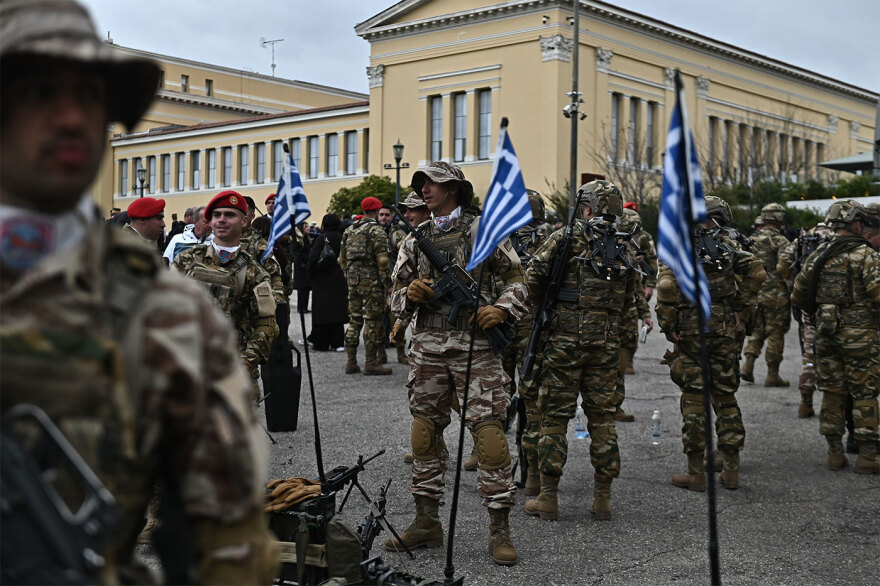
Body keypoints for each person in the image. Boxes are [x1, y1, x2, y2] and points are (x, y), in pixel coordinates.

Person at [0, 1, 278, 583]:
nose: (72, 118)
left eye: (90, 96)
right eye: (37, 91)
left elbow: (227, 543)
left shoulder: (162, 307)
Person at [384, 161, 527, 566]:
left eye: (433, 183)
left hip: (476, 346)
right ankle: (426, 522)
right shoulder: (415, 239)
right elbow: (395, 297)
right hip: (428, 347)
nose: (424, 190)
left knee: (489, 436)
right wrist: (410, 295)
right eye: (422, 184)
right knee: (424, 433)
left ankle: (500, 528)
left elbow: (518, 281)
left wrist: (502, 309)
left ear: (453, 189)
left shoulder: (485, 231)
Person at [524, 180, 637, 523]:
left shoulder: (565, 237)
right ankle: (602, 498)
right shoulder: (625, 246)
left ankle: (548, 497)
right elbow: (630, 299)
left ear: (586, 208)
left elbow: (532, 278)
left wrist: (545, 309)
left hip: (564, 342)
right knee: (602, 419)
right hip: (605, 343)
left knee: (554, 417)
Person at [656, 196, 766, 491]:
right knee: (726, 396)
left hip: (690, 328)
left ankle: (695, 473)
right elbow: (758, 273)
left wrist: (668, 325)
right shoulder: (730, 245)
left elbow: (665, 286)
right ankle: (731, 469)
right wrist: (740, 308)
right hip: (724, 327)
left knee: (694, 398)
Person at [791, 199, 880, 474]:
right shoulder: (866, 255)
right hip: (861, 338)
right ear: (857, 225)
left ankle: (834, 453)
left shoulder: (818, 255)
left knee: (832, 392)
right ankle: (867, 456)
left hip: (826, 336)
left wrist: (820, 313)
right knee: (864, 393)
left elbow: (798, 295)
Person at [174, 191, 279, 400]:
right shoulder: (186, 261)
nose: (222, 219)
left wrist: (247, 360)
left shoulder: (255, 272)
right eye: (217, 215)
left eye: (230, 215)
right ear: (210, 221)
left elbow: (267, 323)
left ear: (244, 221)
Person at [498, 189, 553, 489]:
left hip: (502, 323)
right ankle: (531, 471)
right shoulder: (552, 240)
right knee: (532, 398)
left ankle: (488, 455)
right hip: (534, 328)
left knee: (496, 392)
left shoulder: (499, 239)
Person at [777, 221, 832, 418]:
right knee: (835, 356)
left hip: (808, 304)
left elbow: (783, 263)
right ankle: (833, 407)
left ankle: (806, 403)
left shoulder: (803, 238)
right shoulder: (836, 237)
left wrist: (792, 283)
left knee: (809, 354)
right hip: (834, 305)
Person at [338, 196, 393, 375]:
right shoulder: (376, 231)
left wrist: (350, 276)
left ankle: (351, 362)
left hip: (353, 282)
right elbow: (383, 261)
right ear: (377, 211)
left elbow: (341, 259)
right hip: (372, 284)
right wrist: (388, 284)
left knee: (354, 320)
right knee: (372, 320)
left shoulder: (349, 230)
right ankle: (371, 363)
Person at [742, 202, 793, 386]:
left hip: (754, 293)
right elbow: (784, 267)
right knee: (775, 332)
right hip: (775, 294)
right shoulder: (780, 241)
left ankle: (747, 365)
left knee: (757, 329)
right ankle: (772, 374)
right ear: (779, 218)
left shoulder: (749, 240)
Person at [307, 213, 349, 351]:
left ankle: (322, 342)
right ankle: (338, 342)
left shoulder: (322, 238)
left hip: (322, 280)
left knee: (323, 312)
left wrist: (312, 274)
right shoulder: (343, 238)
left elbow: (312, 260)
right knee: (337, 311)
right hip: (340, 279)